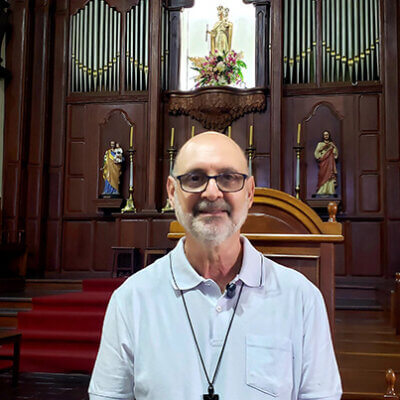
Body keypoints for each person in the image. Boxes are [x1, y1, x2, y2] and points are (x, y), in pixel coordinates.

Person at [89, 132, 342, 400]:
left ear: (250, 192)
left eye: (229, 178)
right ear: (173, 193)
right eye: (195, 178)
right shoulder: (131, 300)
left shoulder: (302, 299)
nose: (212, 192)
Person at [314, 130, 339, 196]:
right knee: (322, 175)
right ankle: (322, 190)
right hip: (323, 162)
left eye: (327, 135)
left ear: (329, 135)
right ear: (323, 136)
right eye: (325, 135)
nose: (326, 136)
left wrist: (333, 148)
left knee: (330, 175)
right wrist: (322, 149)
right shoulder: (320, 144)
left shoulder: (332, 144)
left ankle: (330, 190)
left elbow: (335, 155)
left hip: (330, 163)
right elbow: (316, 153)